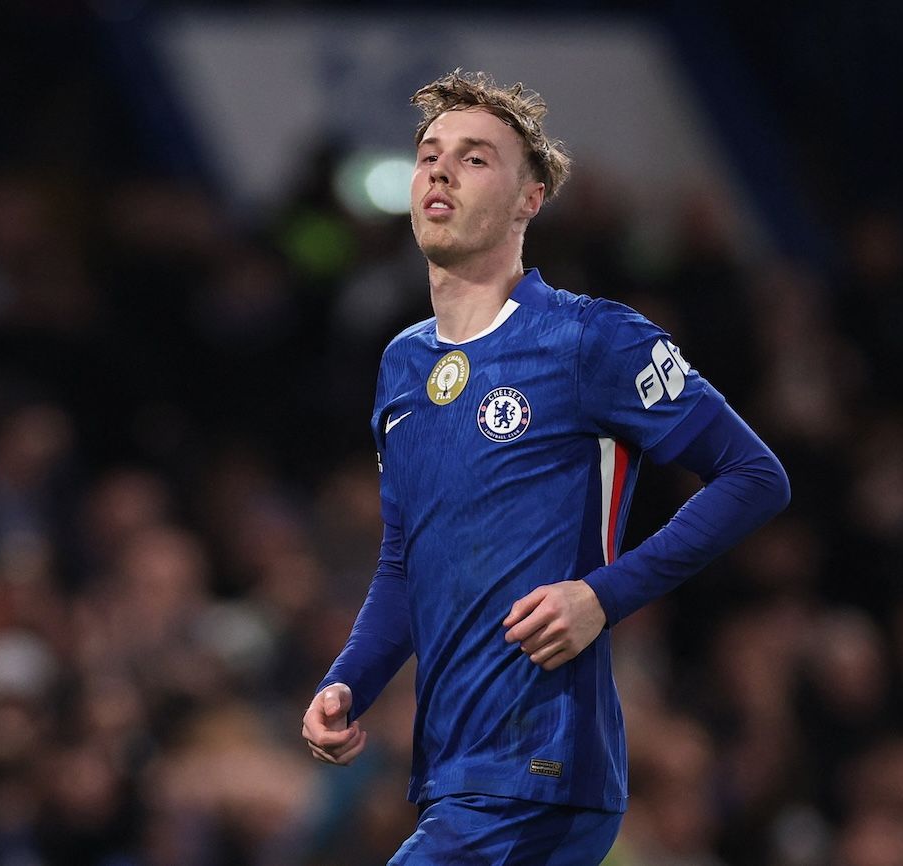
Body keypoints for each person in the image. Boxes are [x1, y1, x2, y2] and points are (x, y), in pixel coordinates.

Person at [301, 69, 791, 865]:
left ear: (529, 199)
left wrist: (603, 596)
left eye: (474, 158)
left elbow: (753, 476)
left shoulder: (591, 339)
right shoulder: (402, 366)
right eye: (429, 155)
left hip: (541, 767)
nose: (440, 171)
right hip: (454, 770)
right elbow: (405, 561)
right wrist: (350, 681)